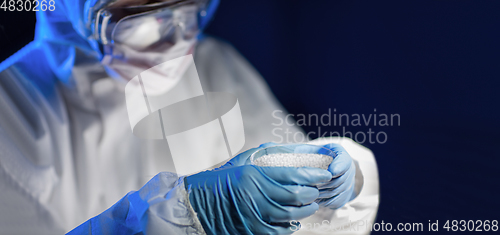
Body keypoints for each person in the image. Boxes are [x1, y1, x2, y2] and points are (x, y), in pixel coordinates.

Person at [0, 0, 379, 234]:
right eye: (140, 17)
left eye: (190, 10)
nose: (177, 40)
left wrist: (346, 180)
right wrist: (187, 218)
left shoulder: (214, 64)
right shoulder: (11, 109)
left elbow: (302, 198)